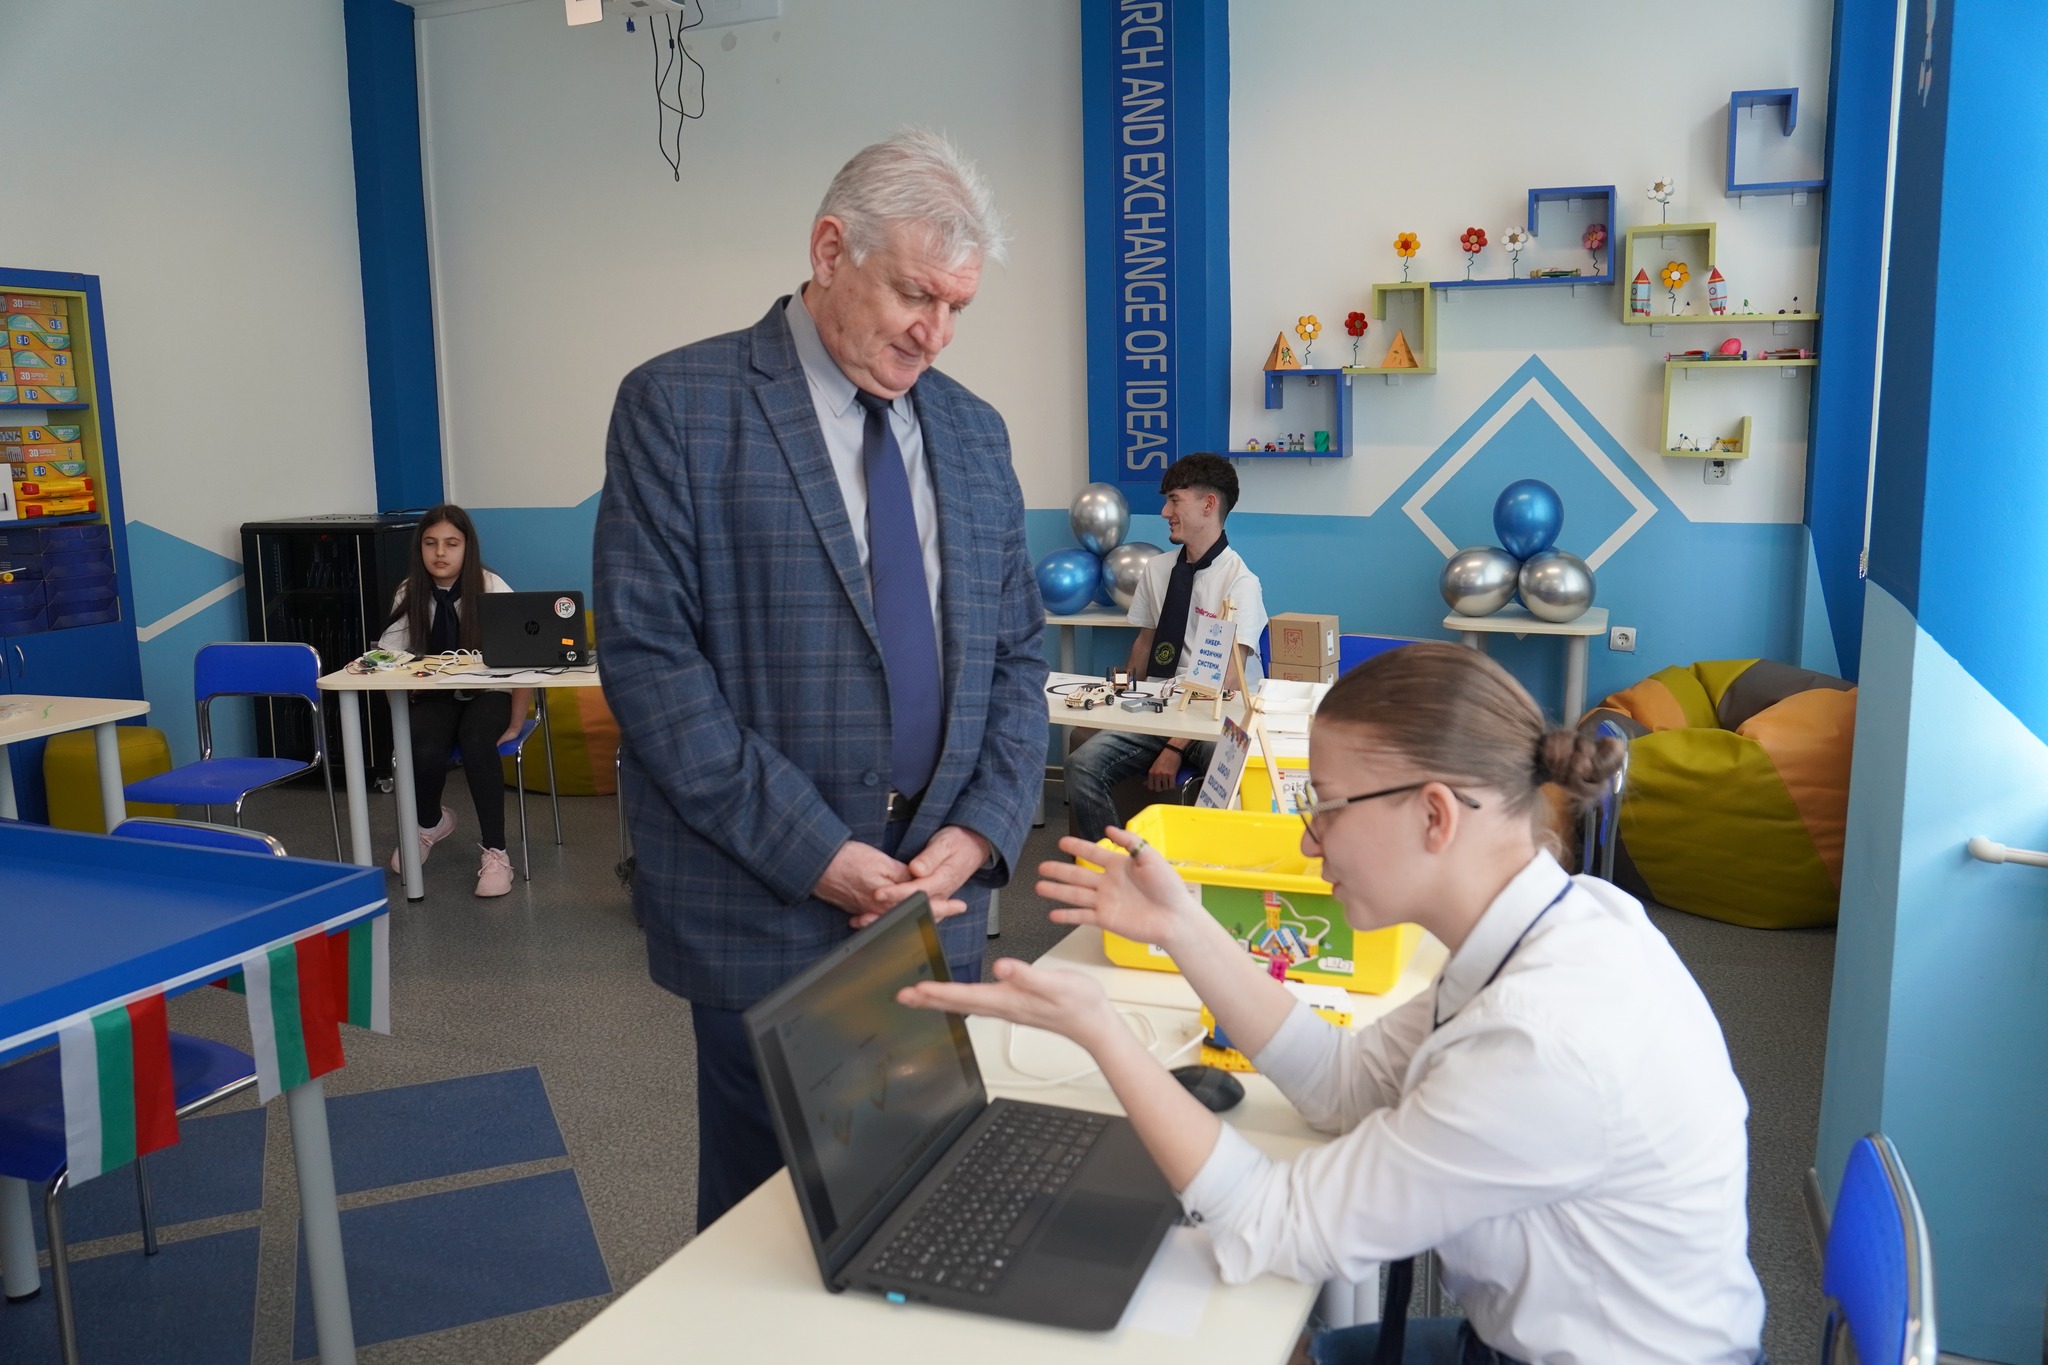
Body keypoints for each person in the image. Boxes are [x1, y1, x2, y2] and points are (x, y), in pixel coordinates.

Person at [902, 643, 1767, 1365]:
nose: (1310, 839)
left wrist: (1101, 1029)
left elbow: (1271, 1228)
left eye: (1325, 806)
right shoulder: (1553, 925)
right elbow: (1343, 1085)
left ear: (1435, 816)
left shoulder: (1542, 1041)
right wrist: (1183, 926)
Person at [594, 129, 1046, 1230]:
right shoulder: (679, 407)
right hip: (767, 899)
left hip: (939, 891)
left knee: (922, 1203)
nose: (935, 334)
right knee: (762, 1231)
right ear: (830, 249)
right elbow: (653, 668)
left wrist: (981, 830)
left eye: (957, 307)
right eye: (914, 295)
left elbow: (1018, 658)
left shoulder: (974, 434)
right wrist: (817, 856)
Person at [1064, 451, 1266, 842]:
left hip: (1217, 718)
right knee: (1081, 765)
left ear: (1208, 504)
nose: (1164, 512)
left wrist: (1174, 747)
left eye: (1174, 500)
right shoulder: (1158, 570)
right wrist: (1116, 697)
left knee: (1234, 775)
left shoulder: (1240, 583)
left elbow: (1228, 679)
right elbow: (1144, 644)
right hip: (1162, 706)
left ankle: (1207, 869)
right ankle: (1115, 863)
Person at [376, 504, 530, 898]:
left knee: (477, 740)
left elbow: (525, 661)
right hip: (436, 694)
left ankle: (496, 853)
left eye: (451, 543)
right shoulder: (410, 591)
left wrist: (516, 722)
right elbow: (390, 659)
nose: (440, 553)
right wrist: (401, 706)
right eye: (430, 543)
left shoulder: (490, 586)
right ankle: (430, 823)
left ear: (467, 547)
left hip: (490, 694)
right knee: (422, 745)